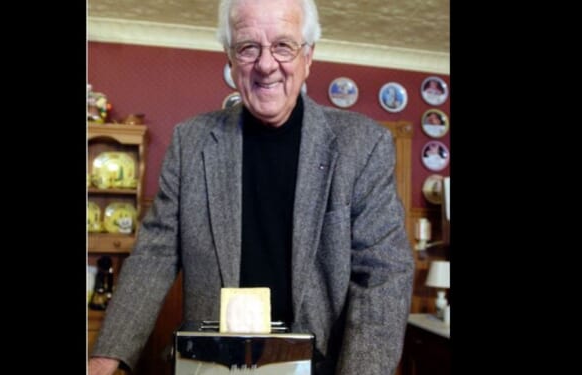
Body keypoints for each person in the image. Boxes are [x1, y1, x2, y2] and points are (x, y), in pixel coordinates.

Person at [88, 0, 414, 374]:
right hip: (211, 367)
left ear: (308, 56)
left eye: (283, 45)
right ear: (229, 59)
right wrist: (105, 357)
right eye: (248, 47)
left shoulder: (363, 145)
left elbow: (383, 276)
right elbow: (153, 255)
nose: (265, 64)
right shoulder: (190, 141)